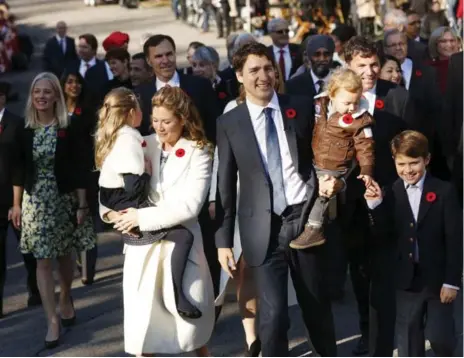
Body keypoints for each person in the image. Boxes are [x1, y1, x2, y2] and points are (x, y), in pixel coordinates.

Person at [215, 42, 341, 357]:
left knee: (316, 308)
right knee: (274, 317)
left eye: (268, 68)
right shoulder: (230, 122)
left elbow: (324, 154)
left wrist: (331, 180)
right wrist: (223, 240)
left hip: (304, 220)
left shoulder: (299, 107)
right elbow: (226, 184)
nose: (263, 76)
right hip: (262, 227)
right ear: (240, 76)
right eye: (254, 70)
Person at [100, 86, 215, 356]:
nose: (159, 127)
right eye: (155, 120)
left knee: (191, 333)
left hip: (180, 247)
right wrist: (111, 213)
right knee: (144, 332)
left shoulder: (200, 151)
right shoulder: (140, 143)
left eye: (166, 121)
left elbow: (190, 205)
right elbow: (111, 181)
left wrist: (140, 217)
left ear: (182, 119)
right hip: (142, 250)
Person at [11, 72, 95, 348]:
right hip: (34, 202)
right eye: (37, 92)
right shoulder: (24, 129)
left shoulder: (68, 126)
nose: (41, 97)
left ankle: (64, 296)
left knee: (64, 255)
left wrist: (82, 203)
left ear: (57, 95)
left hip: (64, 199)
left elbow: (80, 166)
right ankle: (52, 320)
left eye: (47, 92)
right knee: (42, 260)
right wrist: (16, 205)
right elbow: (19, 169)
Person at [365, 130, 462, 357]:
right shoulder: (391, 192)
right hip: (406, 279)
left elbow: (455, 239)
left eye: (414, 163)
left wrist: (452, 282)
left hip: (438, 280)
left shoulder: (444, 191)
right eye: (402, 164)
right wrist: (375, 206)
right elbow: (384, 234)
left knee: (440, 337)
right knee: (408, 342)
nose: (408, 170)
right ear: (394, 162)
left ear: (426, 160)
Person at [342, 36, 410, 356]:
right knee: (359, 275)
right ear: (348, 67)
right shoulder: (335, 100)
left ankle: (381, 344)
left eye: (373, 65)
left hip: (386, 202)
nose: (369, 72)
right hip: (349, 205)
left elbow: (412, 150)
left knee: (383, 278)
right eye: (361, 65)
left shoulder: (397, 97)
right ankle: (365, 332)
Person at [290, 68, 375, 249]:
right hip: (316, 159)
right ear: (332, 95)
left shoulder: (360, 118)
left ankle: (314, 229)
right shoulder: (318, 105)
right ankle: (306, 224)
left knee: (324, 192)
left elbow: (365, 146)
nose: (352, 108)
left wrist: (367, 170)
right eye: (347, 103)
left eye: (356, 101)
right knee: (310, 191)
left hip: (336, 165)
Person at [0, 81, 40, 318]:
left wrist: (19, 201)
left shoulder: (16, 123)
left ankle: (35, 290)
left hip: (16, 198)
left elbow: (23, 163)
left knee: (28, 248)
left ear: (4, 97)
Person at [135, 35, 219, 143]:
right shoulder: (140, 94)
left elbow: (214, 127)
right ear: (149, 61)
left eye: (169, 54)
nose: (165, 60)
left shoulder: (201, 86)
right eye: (159, 56)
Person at [60, 68, 99, 285]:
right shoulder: (56, 110)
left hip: (86, 170)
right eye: (70, 82)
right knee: (69, 221)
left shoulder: (87, 110)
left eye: (78, 82)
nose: (74, 86)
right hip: (64, 174)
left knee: (87, 219)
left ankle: (88, 268)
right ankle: (77, 262)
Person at [68, 33, 113, 100]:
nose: (81, 50)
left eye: (85, 47)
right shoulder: (71, 66)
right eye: (79, 47)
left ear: (94, 49)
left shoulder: (104, 66)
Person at [191, 46, 233, 112]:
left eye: (202, 65)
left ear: (214, 65)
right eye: (194, 65)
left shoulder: (228, 83)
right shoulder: (191, 88)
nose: (196, 69)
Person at [426, 26, 460, 93]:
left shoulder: (461, 64)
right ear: (435, 44)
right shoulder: (428, 67)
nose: (449, 45)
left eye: (452, 40)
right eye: (443, 41)